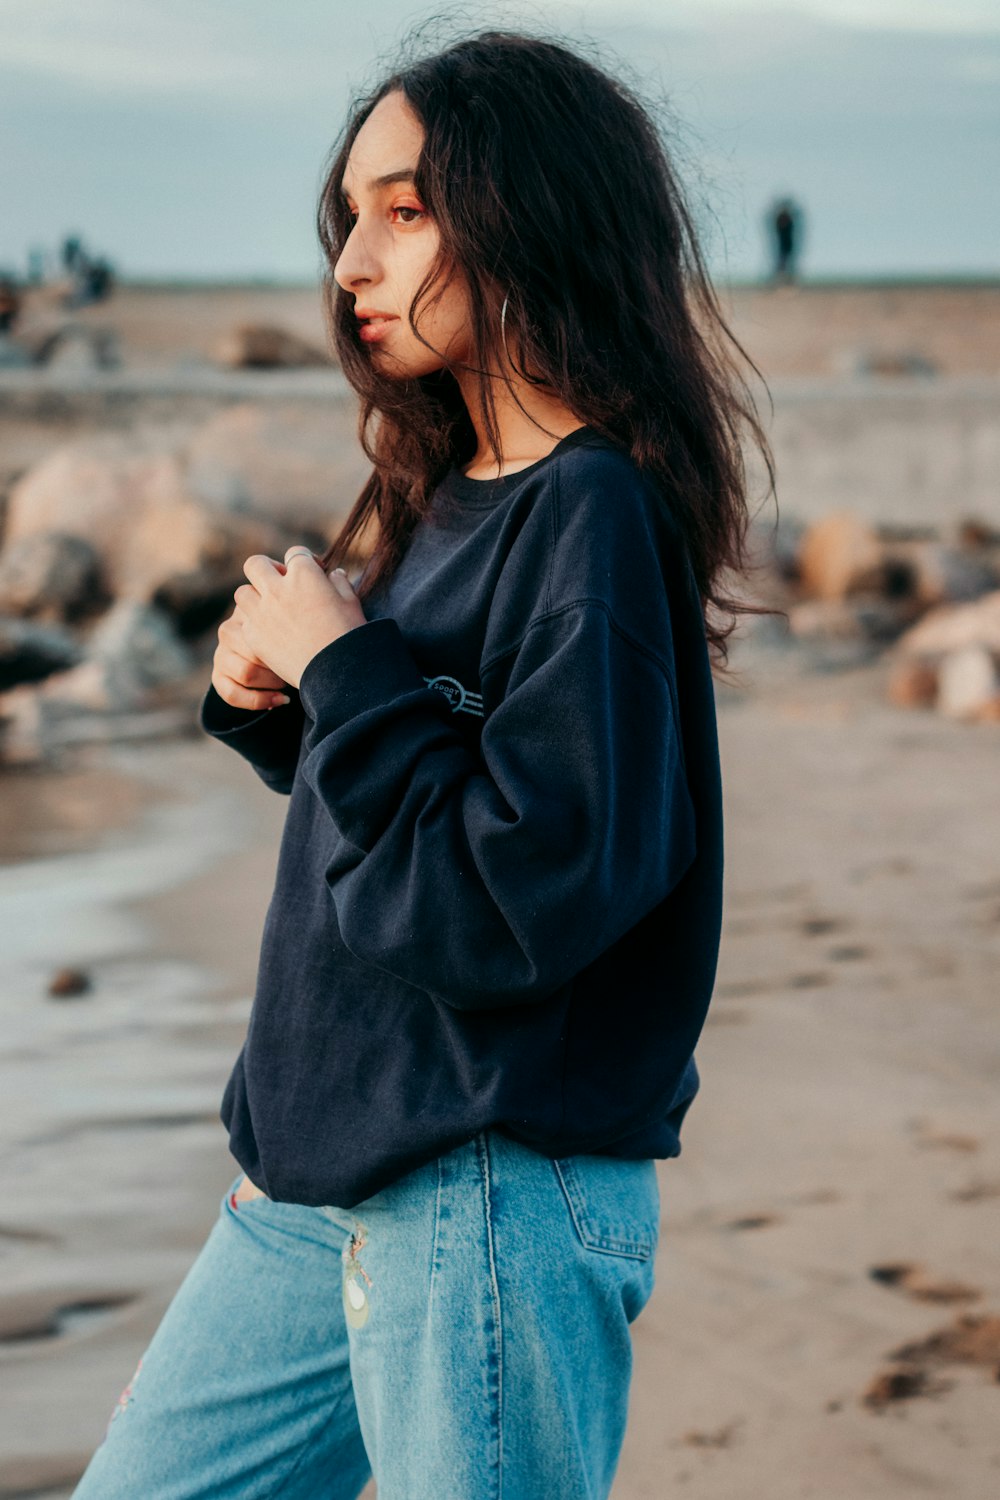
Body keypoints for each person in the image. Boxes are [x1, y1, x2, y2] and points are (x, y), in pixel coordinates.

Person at [71, 23, 776, 1500]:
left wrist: (349, 668)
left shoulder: (593, 517)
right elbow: (410, 822)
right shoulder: (439, 487)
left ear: (532, 216)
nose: (351, 267)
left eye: (405, 212)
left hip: (483, 1187)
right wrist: (287, 702)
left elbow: (514, 898)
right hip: (313, 1173)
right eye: (349, 222)